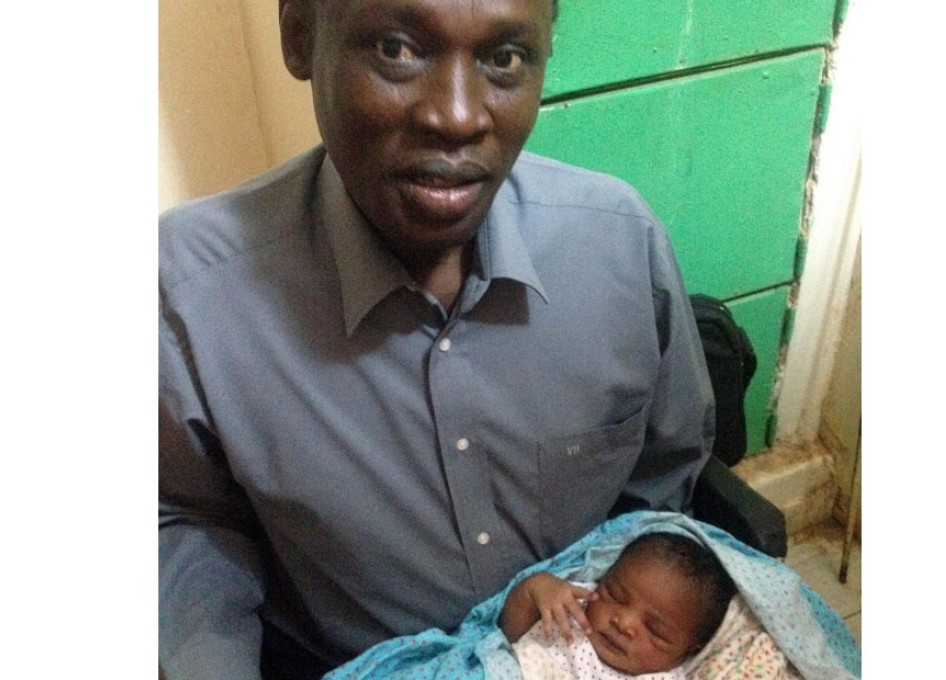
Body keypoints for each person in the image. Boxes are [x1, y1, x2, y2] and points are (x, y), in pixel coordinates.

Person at [158, 0, 715, 679]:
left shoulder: (621, 248)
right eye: (397, 48)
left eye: (504, 57)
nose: (456, 115)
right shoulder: (191, 297)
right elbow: (188, 521)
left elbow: (663, 484)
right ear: (300, 35)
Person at [499, 533, 736, 678]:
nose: (624, 624)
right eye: (615, 596)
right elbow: (508, 632)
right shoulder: (572, 608)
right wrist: (536, 588)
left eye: (655, 630)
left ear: (690, 649)